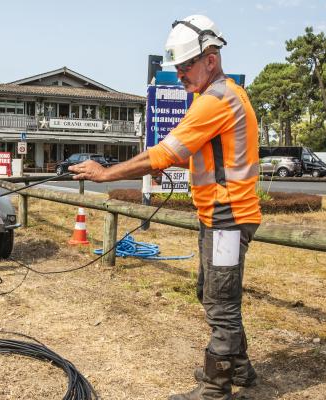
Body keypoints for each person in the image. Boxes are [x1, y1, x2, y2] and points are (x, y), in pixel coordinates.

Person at [69, 14, 262, 400]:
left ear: (211, 58)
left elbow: (164, 152)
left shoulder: (216, 100)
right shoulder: (222, 96)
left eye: (186, 64)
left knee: (220, 303)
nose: (180, 74)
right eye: (176, 66)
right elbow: (190, 154)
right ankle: (238, 368)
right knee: (210, 292)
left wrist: (106, 174)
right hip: (222, 214)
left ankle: (214, 390)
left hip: (228, 217)